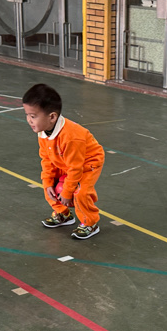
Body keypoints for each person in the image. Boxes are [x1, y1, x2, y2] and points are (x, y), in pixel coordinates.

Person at [22, 83, 105, 240]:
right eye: (27, 115)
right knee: (49, 186)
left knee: (80, 192)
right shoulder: (43, 132)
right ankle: (64, 214)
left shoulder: (71, 137)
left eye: (33, 116)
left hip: (87, 163)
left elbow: (76, 168)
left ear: (52, 117)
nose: (29, 120)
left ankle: (90, 223)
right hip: (63, 160)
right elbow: (46, 159)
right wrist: (47, 183)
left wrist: (67, 192)